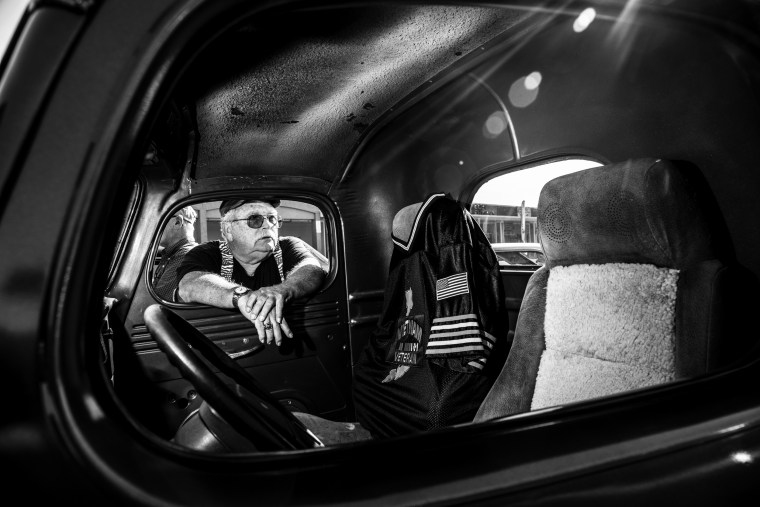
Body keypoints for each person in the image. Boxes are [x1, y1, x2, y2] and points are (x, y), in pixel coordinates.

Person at [176, 198, 326, 346]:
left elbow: (311, 269)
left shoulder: (288, 245)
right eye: (255, 219)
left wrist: (281, 291)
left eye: (272, 218)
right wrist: (242, 296)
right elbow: (189, 286)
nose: (268, 225)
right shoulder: (206, 253)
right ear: (228, 230)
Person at [153, 206, 199, 302]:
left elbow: (155, 301)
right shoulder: (171, 254)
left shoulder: (184, 256)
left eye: (157, 221)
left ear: (177, 222)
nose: (153, 228)